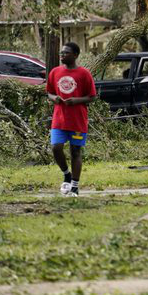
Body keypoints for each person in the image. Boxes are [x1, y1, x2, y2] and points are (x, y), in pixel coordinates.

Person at [46, 42, 97, 196]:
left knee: (75, 151)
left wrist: (76, 101)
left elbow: (92, 97)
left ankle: (74, 185)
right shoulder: (55, 72)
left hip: (77, 121)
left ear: (75, 55)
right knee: (56, 147)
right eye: (61, 53)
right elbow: (49, 92)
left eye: (66, 53)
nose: (62, 55)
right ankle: (66, 174)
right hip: (59, 120)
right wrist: (54, 98)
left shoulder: (84, 74)